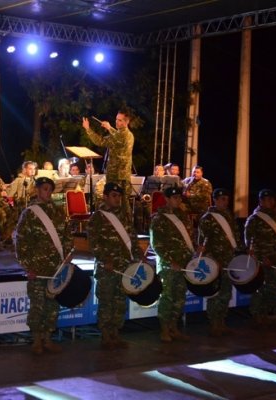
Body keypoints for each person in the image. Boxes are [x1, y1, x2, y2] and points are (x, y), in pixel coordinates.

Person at [16, 177, 73, 354]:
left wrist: (68, 255)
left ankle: (47, 338)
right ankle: (36, 341)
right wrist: (28, 267)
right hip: (37, 268)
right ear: (38, 190)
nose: (47, 193)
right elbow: (21, 243)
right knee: (38, 305)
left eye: (50, 190)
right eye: (44, 189)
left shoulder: (58, 212)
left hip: (56, 268)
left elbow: (66, 235)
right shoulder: (30, 213)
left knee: (52, 306)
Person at [88, 182, 141, 349]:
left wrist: (139, 256)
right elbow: (93, 242)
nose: (117, 199)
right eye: (114, 195)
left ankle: (116, 333)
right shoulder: (98, 216)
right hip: (107, 267)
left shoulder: (125, 215)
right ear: (105, 196)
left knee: (119, 301)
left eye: (119, 196)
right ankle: (105, 335)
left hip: (124, 265)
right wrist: (105, 259)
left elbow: (132, 238)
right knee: (107, 300)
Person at [149, 186, 195, 342]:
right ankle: (164, 330)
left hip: (184, 263)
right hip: (169, 265)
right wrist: (170, 261)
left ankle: (174, 327)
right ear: (167, 199)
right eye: (174, 198)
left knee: (180, 297)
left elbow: (190, 237)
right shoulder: (159, 219)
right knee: (167, 297)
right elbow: (157, 244)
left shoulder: (183, 217)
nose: (178, 200)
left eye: (179, 198)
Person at [198, 188, 244, 336]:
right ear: (215, 200)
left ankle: (222, 322)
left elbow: (236, 238)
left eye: (226, 199)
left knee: (226, 292)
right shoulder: (208, 218)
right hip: (216, 261)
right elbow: (202, 243)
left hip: (229, 260)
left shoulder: (229, 216)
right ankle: (214, 324)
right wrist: (211, 260)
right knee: (216, 293)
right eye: (222, 199)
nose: (225, 202)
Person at [244, 189, 276, 328]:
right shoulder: (254, 218)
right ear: (261, 201)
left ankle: (264, 315)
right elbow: (249, 242)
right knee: (261, 289)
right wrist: (261, 258)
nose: (270, 202)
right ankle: (257, 316)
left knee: (272, 289)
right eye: (267, 199)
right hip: (263, 261)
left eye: (272, 199)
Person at [82, 108, 135, 214]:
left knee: (122, 205)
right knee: (111, 205)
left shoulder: (127, 135)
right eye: (116, 119)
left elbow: (120, 140)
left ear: (126, 122)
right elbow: (100, 141)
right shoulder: (116, 135)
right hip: (112, 175)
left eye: (120, 120)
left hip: (121, 176)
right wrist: (88, 129)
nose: (117, 122)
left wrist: (109, 128)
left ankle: (126, 227)